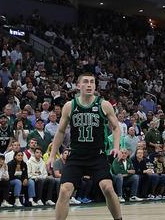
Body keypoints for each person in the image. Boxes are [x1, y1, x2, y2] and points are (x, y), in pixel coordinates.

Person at [47, 73, 122, 220]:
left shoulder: (103, 104)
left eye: (92, 82)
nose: (89, 85)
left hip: (97, 156)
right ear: (78, 85)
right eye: (86, 82)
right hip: (76, 156)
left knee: (108, 187)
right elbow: (61, 132)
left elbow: (116, 128)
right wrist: (51, 155)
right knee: (64, 190)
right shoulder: (70, 106)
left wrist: (116, 147)